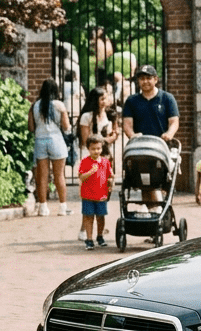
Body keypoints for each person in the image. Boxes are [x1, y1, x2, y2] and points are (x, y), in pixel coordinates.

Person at [121, 64, 179, 207]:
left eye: (148, 78)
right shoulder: (132, 101)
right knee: (145, 182)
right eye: (141, 79)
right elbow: (127, 124)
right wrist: (132, 135)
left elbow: (174, 121)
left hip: (162, 147)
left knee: (161, 182)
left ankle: (159, 210)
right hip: (141, 147)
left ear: (156, 79)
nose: (145, 81)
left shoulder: (167, 98)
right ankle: (153, 213)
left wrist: (169, 134)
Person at [28, 79, 72, 217]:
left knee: (42, 176)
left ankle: (43, 207)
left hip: (40, 140)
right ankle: (62, 207)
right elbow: (66, 127)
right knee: (59, 175)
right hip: (56, 139)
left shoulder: (34, 105)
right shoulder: (58, 104)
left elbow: (31, 127)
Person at [77, 134, 113, 248]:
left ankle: (100, 236)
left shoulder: (105, 162)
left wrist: (111, 182)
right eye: (93, 149)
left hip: (101, 194)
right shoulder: (85, 162)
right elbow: (81, 177)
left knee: (101, 216)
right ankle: (89, 239)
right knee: (88, 217)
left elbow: (111, 175)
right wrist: (91, 172)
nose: (96, 151)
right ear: (88, 149)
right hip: (88, 195)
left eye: (98, 148)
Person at [77, 87, 119, 158]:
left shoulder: (109, 114)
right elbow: (85, 140)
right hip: (91, 152)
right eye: (102, 99)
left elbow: (115, 131)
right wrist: (105, 140)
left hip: (107, 152)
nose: (105, 101)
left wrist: (114, 135)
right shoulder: (86, 116)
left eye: (105, 98)